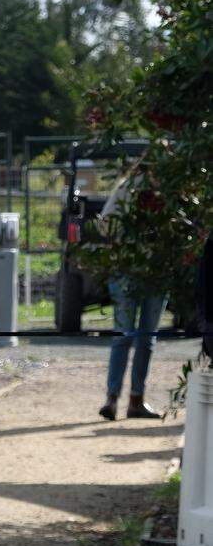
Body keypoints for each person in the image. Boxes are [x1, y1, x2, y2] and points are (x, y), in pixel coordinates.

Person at [97, 173, 167, 420]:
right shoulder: (127, 189)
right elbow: (105, 223)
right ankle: (112, 398)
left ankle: (136, 400)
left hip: (157, 272)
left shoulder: (173, 190)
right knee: (123, 335)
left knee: (147, 338)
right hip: (126, 271)